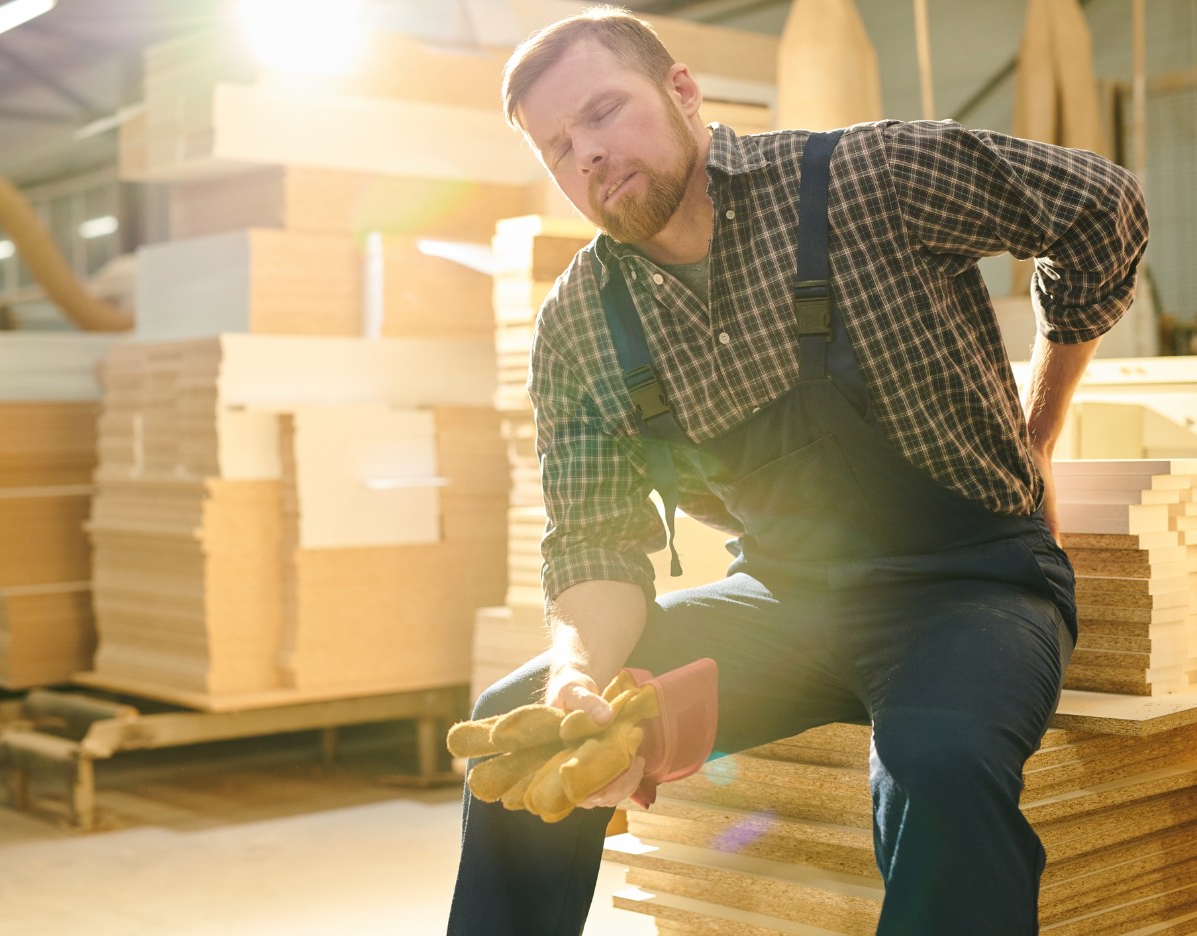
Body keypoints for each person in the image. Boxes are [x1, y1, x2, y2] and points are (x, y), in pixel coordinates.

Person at [448, 6, 1148, 935]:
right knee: (520, 734)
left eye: (605, 111)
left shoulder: (868, 177)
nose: (588, 155)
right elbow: (594, 542)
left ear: (683, 91)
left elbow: (1103, 209)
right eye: (557, 145)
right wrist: (577, 680)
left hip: (973, 587)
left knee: (938, 765)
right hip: (784, 600)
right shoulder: (581, 327)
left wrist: (1043, 424)